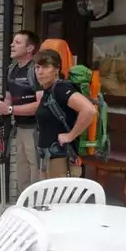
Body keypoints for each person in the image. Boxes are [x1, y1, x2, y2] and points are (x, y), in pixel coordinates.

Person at [34, 49, 96, 179]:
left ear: (57, 69)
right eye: (37, 67)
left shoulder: (61, 88)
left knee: (58, 199)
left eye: (46, 67)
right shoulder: (48, 91)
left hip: (62, 160)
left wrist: (70, 136)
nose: (40, 72)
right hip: (49, 158)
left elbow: (89, 110)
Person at [0, 30, 42, 194]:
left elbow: (40, 104)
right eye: (13, 41)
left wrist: (10, 109)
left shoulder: (36, 70)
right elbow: (9, 98)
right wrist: (2, 107)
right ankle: (24, 205)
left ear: (30, 48)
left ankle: (38, 207)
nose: (12, 45)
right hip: (20, 128)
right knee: (22, 170)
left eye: (18, 42)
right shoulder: (12, 69)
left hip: (36, 129)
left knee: (37, 170)